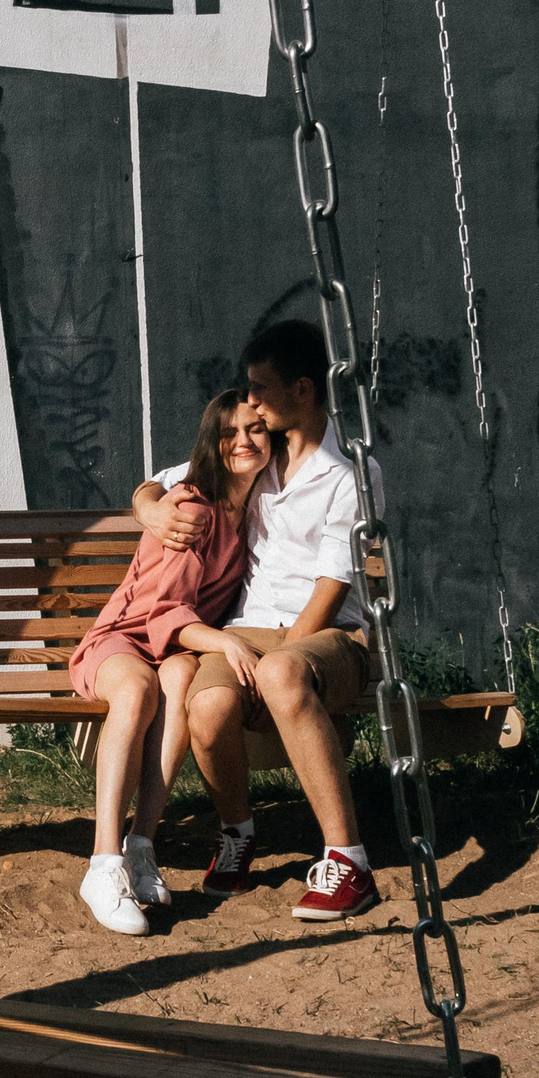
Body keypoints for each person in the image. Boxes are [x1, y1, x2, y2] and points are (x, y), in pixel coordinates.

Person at [130, 318, 384, 922]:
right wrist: (151, 510)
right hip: (249, 630)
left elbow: (331, 587)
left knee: (281, 676)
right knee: (208, 704)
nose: (249, 402)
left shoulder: (349, 474)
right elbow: (160, 482)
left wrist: (276, 664)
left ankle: (350, 863)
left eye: (260, 389)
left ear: (302, 390)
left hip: (329, 636)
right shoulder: (256, 456)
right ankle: (238, 833)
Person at [66, 390, 269, 936]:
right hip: (126, 636)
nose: (245, 442)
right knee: (138, 691)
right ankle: (103, 863)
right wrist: (226, 642)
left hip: (175, 648)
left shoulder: (248, 504)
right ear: (212, 443)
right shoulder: (192, 510)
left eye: (256, 429)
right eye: (230, 434)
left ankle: (142, 846)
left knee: (179, 678)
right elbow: (161, 615)